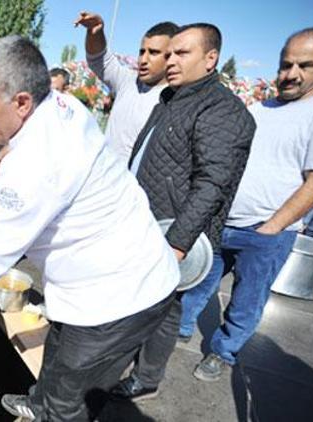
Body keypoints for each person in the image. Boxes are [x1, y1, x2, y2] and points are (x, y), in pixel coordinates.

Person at [0, 35, 180, 421]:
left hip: (117, 296)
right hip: (102, 271)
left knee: (67, 400)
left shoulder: (33, 167)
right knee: (56, 354)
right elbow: (25, 144)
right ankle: (37, 402)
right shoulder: (62, 104)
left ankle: (50, 411)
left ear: (22, 102)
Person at [109, 23, 256, 401]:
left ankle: (143, 378)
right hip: (142, 223)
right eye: (169, 53)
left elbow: (212, 184)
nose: (170, 61)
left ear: (210, 59)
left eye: (182, 53)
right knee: (149, 306)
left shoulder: (223, 110)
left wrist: (176, 244)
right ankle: (128, 370)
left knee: (160, 310)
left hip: (170, 233)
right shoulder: (173, 99)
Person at [179, 27, 313, 382]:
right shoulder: (261, 108)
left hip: (267, 233)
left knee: (246, 300)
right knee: (195, 283)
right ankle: (176, 331)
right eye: (285, 64)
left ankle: (224, 352)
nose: (290, 74)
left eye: (305, 65)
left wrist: (272, 227)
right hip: (221, 222)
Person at [76, 12, 178, 162]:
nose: (143, 60)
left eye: (153, 53)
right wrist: (95, 31)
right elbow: (99, 59)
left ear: (172, 57)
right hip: (104, 178)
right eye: (142, 52)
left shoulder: (176, 102)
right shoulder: (127, 81)